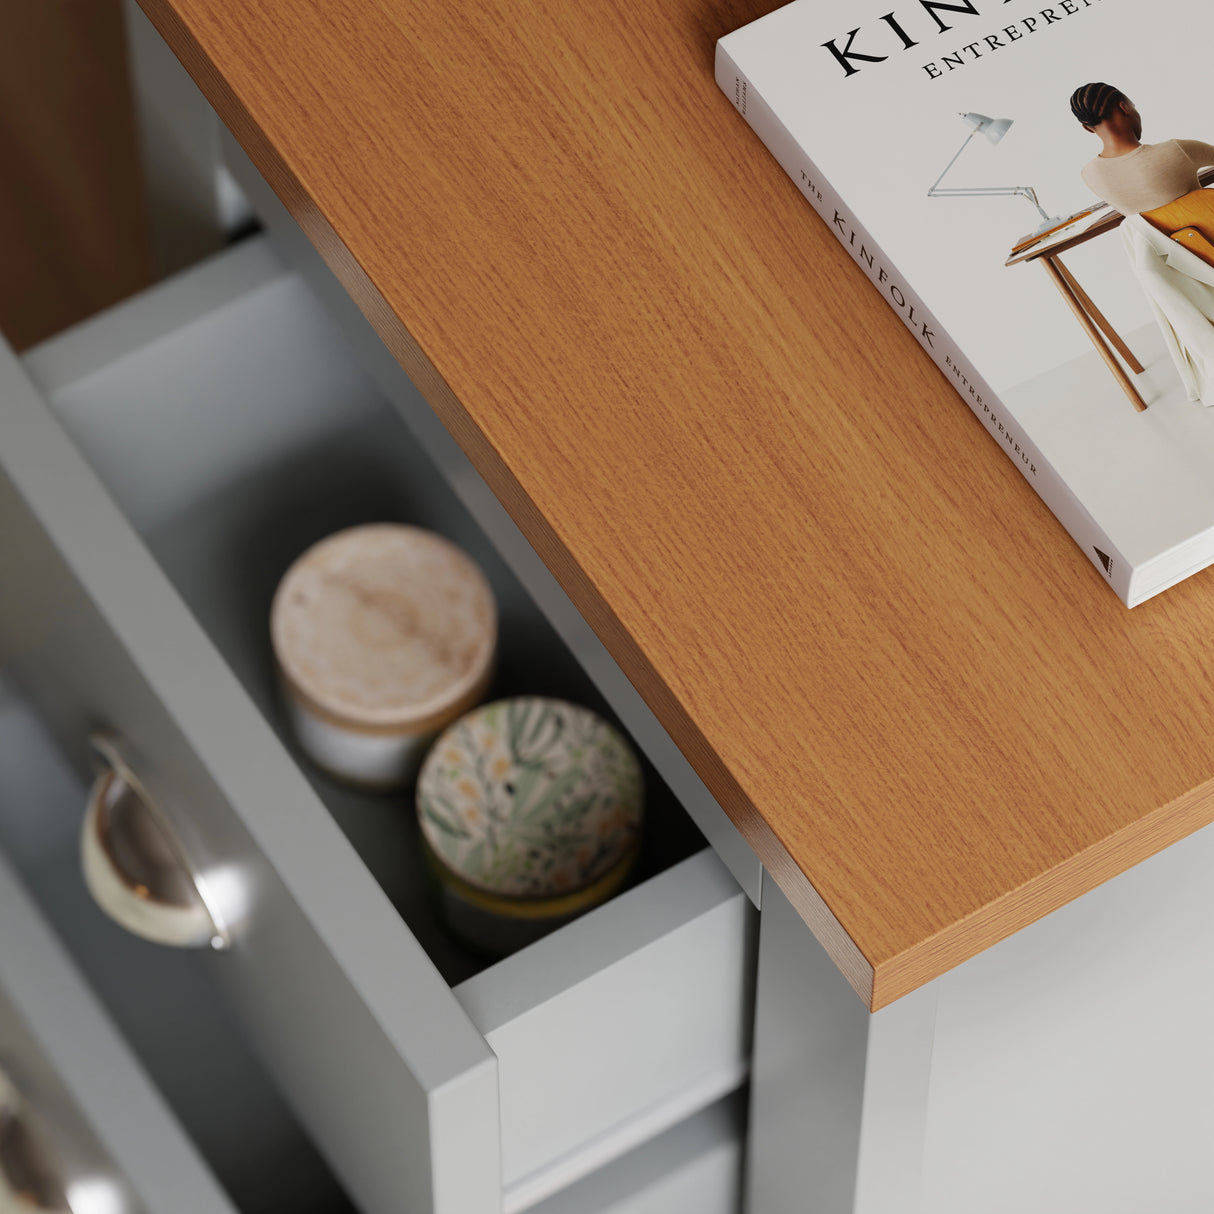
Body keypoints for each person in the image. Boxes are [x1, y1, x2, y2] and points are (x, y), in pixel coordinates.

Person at [1070, 82, 1214, 240]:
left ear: (1087, 128)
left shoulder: (1090, 174)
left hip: (1189, 257)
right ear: (1124, 108)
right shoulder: (1177, 149)